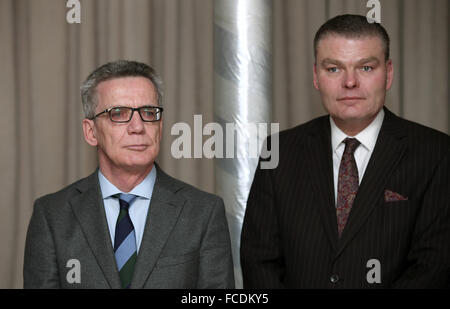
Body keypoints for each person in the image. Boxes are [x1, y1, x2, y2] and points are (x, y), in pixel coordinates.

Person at [241, 14, 450, 288]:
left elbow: (433, 267)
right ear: (316, 76)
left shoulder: (436, 154)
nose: (350, 82)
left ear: (388, 73)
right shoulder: (278, 152)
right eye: (334, 69)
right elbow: (259, 262)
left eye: (365, 68)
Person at [24, 60, 234, 289]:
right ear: (91, 132)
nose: (138, 126)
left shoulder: (203, 212)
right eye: (119, 113)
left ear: (160, 127)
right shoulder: (52, 216)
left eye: (148, 112)